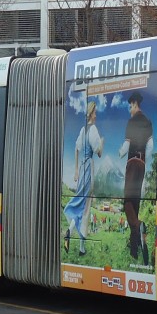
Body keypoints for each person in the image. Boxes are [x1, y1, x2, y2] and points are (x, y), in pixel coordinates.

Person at [63, 100, 103, 256]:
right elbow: (98, 152)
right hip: (89, 168)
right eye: (95, 112)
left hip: (82, 167)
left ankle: (78, 243)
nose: (96, 115)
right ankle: (79, 244)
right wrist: (103, 143)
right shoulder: (93, 130)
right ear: (92, 113)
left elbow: (76, 148)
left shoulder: (82, 130)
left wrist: (76, 170)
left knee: (80, 205)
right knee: (85, 209)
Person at [119, 92, 154, 264]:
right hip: (141, 164)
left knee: (127, 202)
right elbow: (151, 146)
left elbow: (126, 146)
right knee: (135, 204)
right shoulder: (148, 122)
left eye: (130, 105)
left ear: (134, 104)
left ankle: (139, 225)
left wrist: (119, 153)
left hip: (132, 163)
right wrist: (145, 164)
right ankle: (134, 251)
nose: (129, 109)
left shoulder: (131, 122)